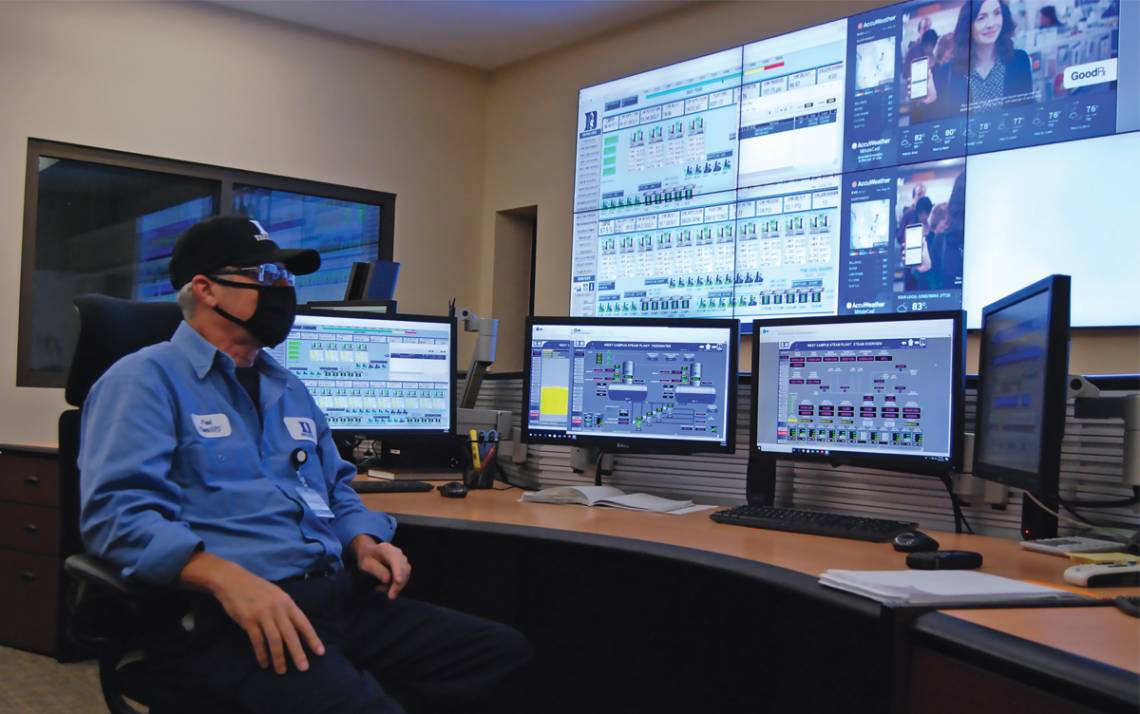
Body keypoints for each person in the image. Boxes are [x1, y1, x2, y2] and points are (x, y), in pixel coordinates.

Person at [78, 216, 531, 714]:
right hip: (233, 615)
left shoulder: (288, 387)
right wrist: (226, 578)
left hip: (336, 599)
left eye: (286, 279)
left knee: (500, 655)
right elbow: (117, 518)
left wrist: (362, 539)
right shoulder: (143, 381)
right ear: (206, 289)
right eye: (266, 277)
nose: (283, 291)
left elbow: (336, 488)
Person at [916, 0, 1034, 119]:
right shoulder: (948, 72)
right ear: (968, 25)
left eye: (997, 13)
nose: (991, 24)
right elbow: (938, 127)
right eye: (981, 17)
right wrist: (930, 101)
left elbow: (1027, 112)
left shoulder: (1019, 60)